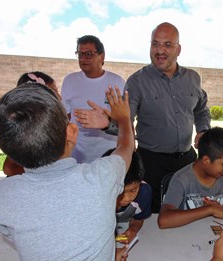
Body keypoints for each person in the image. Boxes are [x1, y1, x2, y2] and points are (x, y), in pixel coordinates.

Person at [73, 22, 211, 213]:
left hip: (187, 161)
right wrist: (108, 123)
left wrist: (203, 129)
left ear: (178, 49)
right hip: (152, 163)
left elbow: (201, 108)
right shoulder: (137, 82)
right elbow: (125, 120)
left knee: (187, 210)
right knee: (152, 215)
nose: (160, 50)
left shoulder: (193, 78)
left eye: (167, 45)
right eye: (155, 44)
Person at [0, 83, 134, 261]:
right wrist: (123, 119)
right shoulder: (102, 177)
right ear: (72, 133)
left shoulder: (2, 194)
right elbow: (126, 147)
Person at [61, 35, 125, 163]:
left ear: (102, 56)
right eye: (80, 54)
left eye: (89, 54)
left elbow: (124, 121)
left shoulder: (116, 82)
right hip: (77, 155)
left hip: (108, 155)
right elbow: (65, 118)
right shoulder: (70, 81)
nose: (83, 59)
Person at [157, 127, 223, 229]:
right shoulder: (181, 180)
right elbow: (164, 221)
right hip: (186, 239)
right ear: (206, 160)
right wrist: (210, 209)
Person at [3, 71, 61, 176]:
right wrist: (43, 175)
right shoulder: (25, 125)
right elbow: (9, 168)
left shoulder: (48, 121)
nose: (59, 97)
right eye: (54, 91)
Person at [102, 149, 152, 247]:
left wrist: (133, 229)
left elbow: (138, 219)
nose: (126, 198)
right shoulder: (94, 197)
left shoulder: (144, 193)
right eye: (120, 191)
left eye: (133, 190)